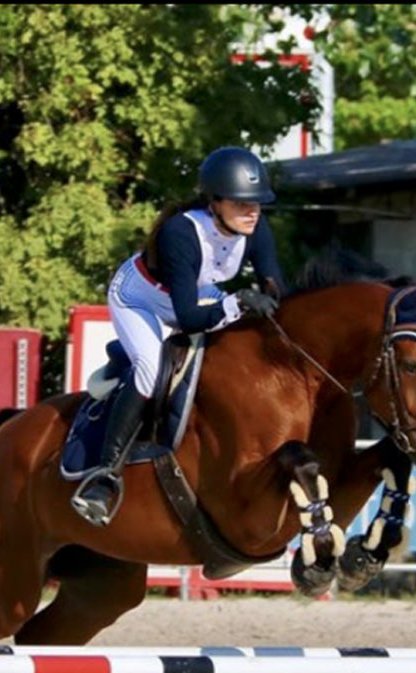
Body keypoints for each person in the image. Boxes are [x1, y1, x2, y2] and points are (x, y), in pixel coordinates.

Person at [71, 146, 287, 527]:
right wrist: (239, 303)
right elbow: (187, 319)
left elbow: (274, 288)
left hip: (195, 294)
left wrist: (269, 300)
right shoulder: (181, 233)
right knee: (151, 368)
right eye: (241, 203)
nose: (252, 211)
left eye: (256, 203)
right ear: (215, 202)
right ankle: (103, 477)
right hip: (141, 299)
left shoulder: (255, 228)